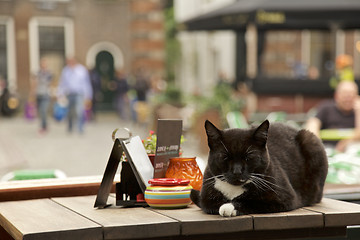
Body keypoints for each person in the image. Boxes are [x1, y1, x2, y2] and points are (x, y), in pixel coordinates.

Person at [306, 81, 360, 152]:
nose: (348, 98)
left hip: (352, 151)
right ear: (336, 96)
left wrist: (358, 112)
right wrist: (317, 143)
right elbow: (313, 123)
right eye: (345, 94)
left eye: (351, 95)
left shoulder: (357, 111)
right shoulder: (326, 107)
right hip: (327, 148)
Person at [57, 57, 93, 134]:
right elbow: (62, 83)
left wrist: (88, 95)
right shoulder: (66, 70)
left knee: (79, 110)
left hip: (79, 93)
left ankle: (80, 128)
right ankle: (70, 127)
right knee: (69, 111)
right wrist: (60, 93)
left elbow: (86, 83)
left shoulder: (82, 70)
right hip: (69, 93)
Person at [30, 58, 53, 133]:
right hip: (38, 94)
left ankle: (44, 126)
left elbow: (51, 83)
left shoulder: (49, 74)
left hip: (46, 95)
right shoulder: (37, 73)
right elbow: (34, 83)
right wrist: (32, 93)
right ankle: (43, 125)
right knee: (40, 111)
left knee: (43, 110)